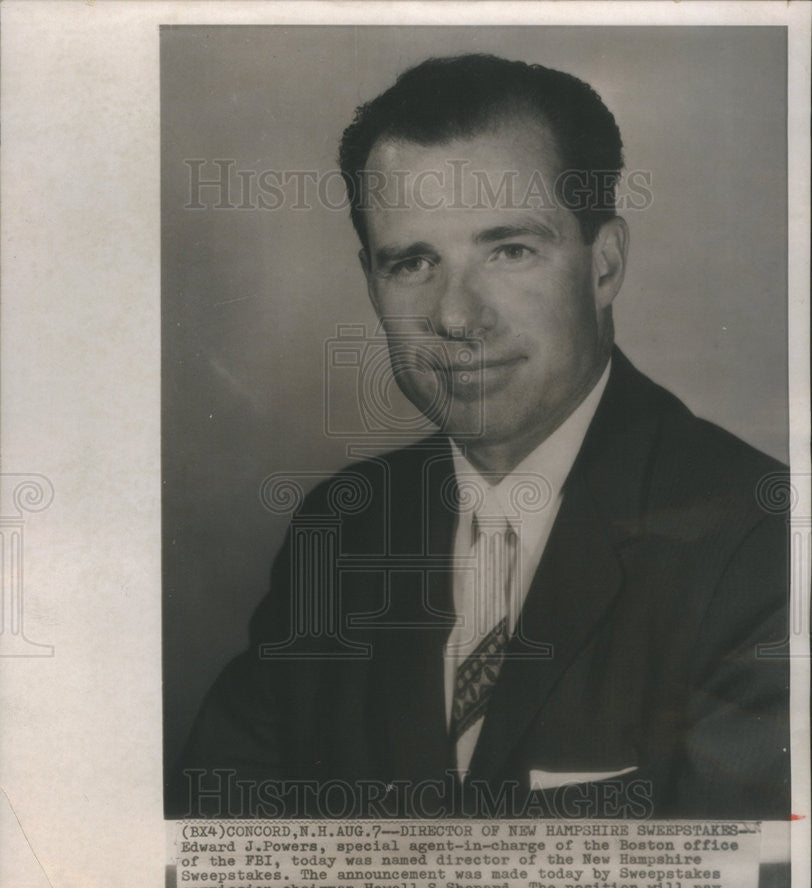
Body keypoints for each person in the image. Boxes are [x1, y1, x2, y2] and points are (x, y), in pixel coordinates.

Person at [172, 54, 789, 819]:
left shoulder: (765, 543)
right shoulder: (344, 528)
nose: (457, 318)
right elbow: (213, 870)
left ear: (604, 264)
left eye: (510, 250)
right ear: (371, 280)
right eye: (413, 262)